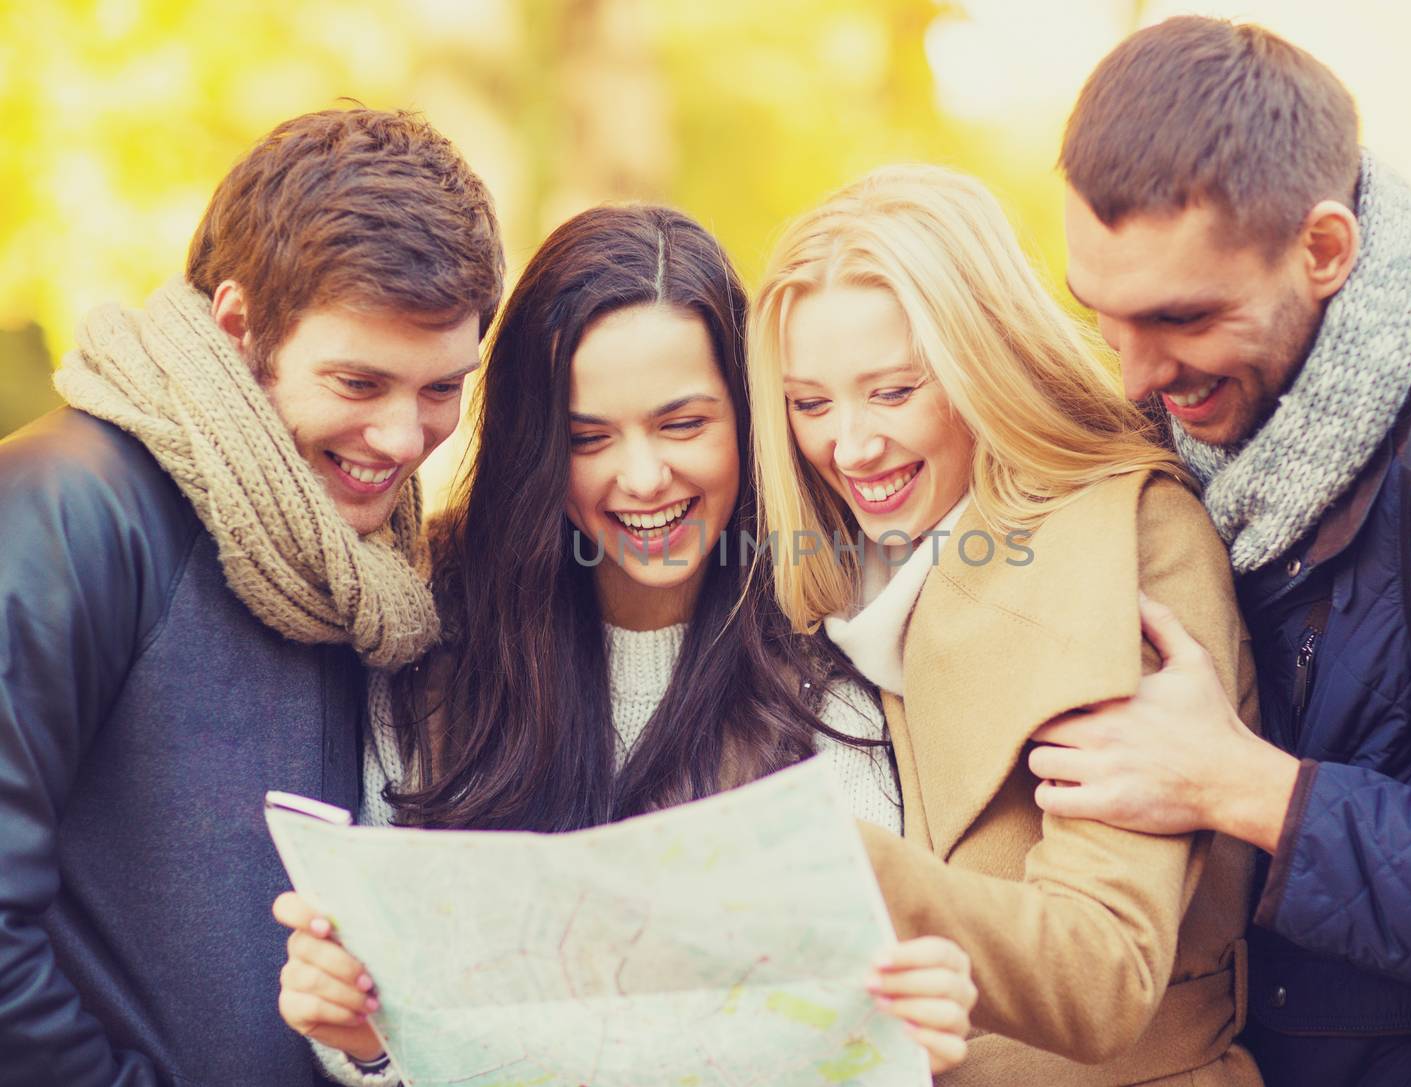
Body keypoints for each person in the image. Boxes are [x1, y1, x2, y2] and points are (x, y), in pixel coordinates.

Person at [270, 205, 978, 1085]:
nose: (642, 478)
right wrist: (360, 1038)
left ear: (751, 418)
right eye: (589, 438)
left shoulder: (833, 655)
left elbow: (862, 1021)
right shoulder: (438, 650)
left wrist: (922, 1025)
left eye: (683, 425)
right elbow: (383, 1029)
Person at [1028, 16, 1411, 1087]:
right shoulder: (1231, 433)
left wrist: (1249, 789)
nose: (1134, 378)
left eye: (1180, 318)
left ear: (1324, 251)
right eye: (1102, 316)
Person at [0, 109, 503, 1086]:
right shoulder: (67, 511)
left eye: (442, 389)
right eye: (359, 382)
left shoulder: (357, 560)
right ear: (239, 325)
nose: (403, 439)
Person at [747, 163, 1261, 1085]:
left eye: (895, 391)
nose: (850, 446)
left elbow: (1105, 970)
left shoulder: (1128, 535)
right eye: (811, 404)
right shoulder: (868, 574)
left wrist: (829, 867)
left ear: (982, 362)